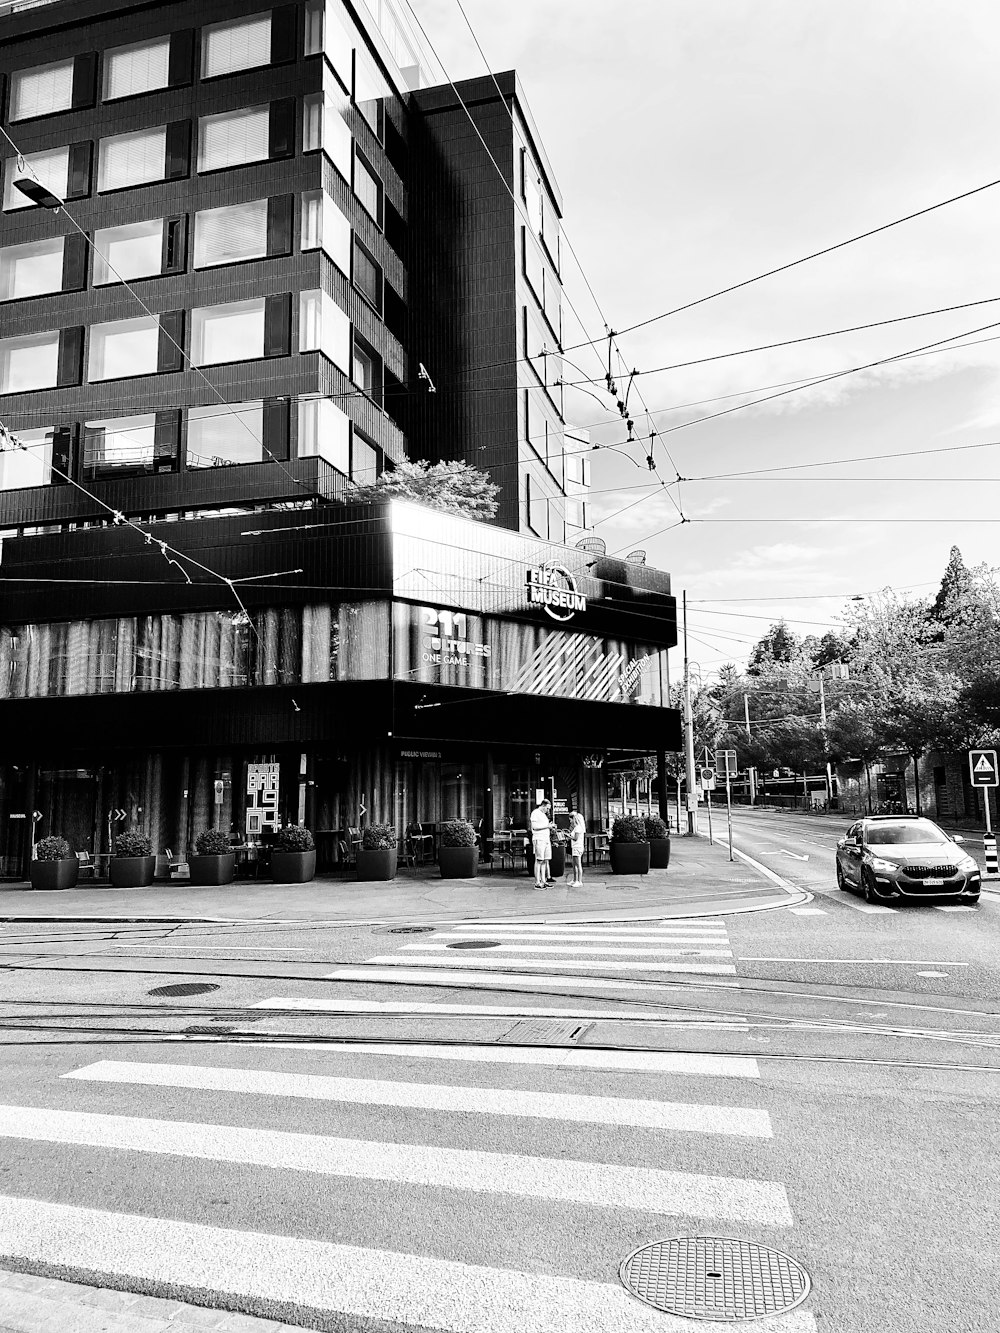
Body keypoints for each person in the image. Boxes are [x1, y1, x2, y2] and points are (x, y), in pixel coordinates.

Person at [529, 798, 553, 890]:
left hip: (546, 839)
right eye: (547, 808)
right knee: (539, 860)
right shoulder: (535, 813)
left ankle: (543, 880)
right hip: (539, 839)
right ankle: (537, 882)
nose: (548, 810)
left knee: (544, 860)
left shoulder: (543, 815)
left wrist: (549, 827)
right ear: (543, 806)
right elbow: (534, 827)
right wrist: (547, 826)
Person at [567, 805, 586, 887]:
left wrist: (568, 836)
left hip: (577, 847)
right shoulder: (577, 828)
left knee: (578, 864)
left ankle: (579, 881)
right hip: (575, 847)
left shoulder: (578, 828)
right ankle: (575, 880)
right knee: (574, 864)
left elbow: (575, 838)